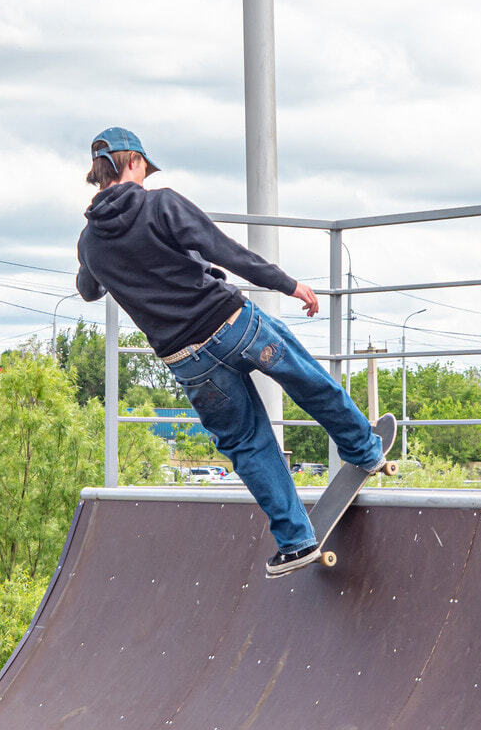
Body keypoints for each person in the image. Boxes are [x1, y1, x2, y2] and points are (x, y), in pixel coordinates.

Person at [75, 127, 386, 575]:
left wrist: (96, 256)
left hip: (188, 361)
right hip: (235, 326)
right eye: (144, 167)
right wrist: (289, 284)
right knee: (306, 379)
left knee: (246, 443)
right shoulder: (160, 203)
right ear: (134, 162)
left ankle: (296, 542)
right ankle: (364, 449)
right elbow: (224, 251)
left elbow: (87, 290)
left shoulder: (90, 241)